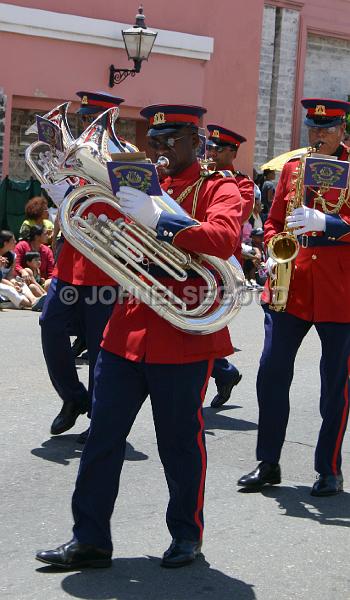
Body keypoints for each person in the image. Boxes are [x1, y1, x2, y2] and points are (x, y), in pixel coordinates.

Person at [35, 103, 243, 570]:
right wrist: (70, 193)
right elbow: (107, 233)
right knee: (103, 438)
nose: (162, 149)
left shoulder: (218, 187)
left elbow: (224, 238)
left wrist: (162, 220)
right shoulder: (139, 183)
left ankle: (187, 536)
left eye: (172, 140)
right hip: (125, 327)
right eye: (155, 141)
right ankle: (89, 539)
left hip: (183, 330)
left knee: (178, 442)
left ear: (197, 142)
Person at [238, 97, 350, 497]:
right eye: (313, 129)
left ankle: (328, 468)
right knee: (271, 374)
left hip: (340, 290)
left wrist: (329, 223)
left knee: (334, 384)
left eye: (326, 128)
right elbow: (271, 221)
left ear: (342, 130)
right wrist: (272, 247)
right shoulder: (292, 169)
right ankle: (268, 461)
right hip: (292, 283)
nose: (318, 136)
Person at [40, 91, 132, 444]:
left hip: (106, 262)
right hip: (71, 258)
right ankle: (72, 397)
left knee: (99, 346)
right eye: (81, 119)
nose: (83, 126)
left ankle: (100, 419)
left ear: (110, 120)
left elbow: (136, 208)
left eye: (90, 119)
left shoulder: (124, 156)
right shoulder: (72, 153)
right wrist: (57, 189)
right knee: (50, 323)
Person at [206, 125, 255, 407]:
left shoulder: (242, 184)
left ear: (233, 153)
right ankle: (224, 372)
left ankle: (224, 372)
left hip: (222, 263)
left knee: (203, 323)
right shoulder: (198, 177)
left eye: (218, 149)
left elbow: (237, 217)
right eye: (209, 148)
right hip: (194, 256)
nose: (211, 153)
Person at [15, 225, 54, 291]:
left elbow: (51, 270)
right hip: (24, 281)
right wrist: (22, 271)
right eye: (45, 234)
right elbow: (15, 263)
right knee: (32, 286)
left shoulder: (47, 250)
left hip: (42, 282)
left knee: (50, 283)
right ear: (37, 236)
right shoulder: (21, 246)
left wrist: (49, 281)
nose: (48, 236)